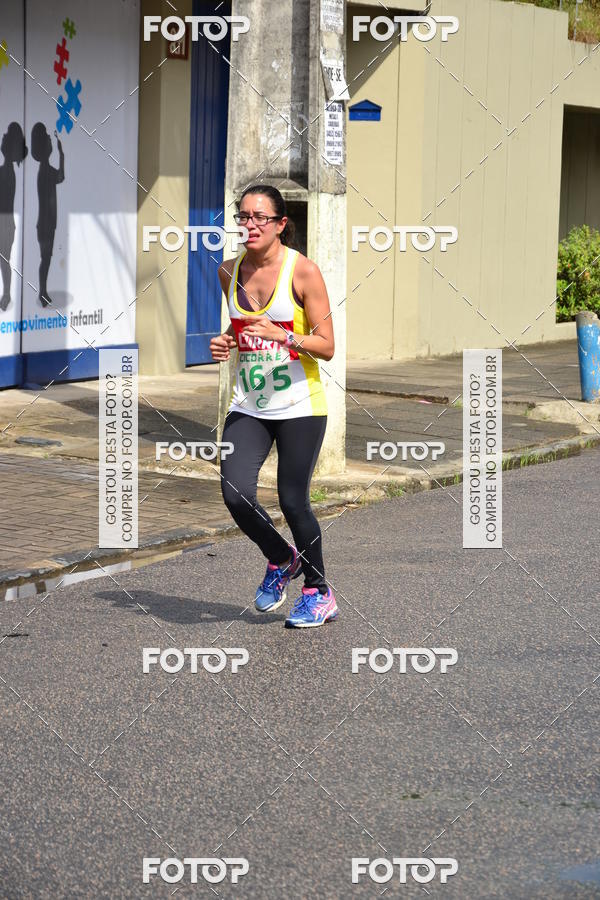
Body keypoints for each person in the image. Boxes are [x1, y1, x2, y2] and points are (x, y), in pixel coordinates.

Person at [209, 184, 338, 628]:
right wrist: (226, 341)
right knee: (234, 491)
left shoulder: (303, 273)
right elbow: (240, 326)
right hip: (249, 401)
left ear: (281, 224)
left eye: (260, 217)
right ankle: (281, 557)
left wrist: (285, 335)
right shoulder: (228, 271)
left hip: (300, 404)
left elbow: (327, 346)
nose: (249, 225)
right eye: (243, 216)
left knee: (293, 501)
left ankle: (319, 592)